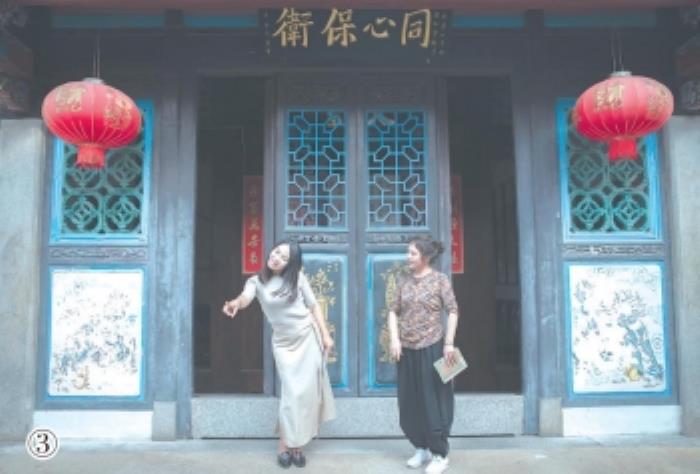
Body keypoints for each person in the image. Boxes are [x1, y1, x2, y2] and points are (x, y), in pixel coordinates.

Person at [222, 240, 336, 468]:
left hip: (307, 337)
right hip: (284, 344)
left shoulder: (298, 278)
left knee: (304, 395)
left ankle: (294, 445)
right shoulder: (256, 281)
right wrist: (234, 303)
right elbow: (245, 298)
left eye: (284, 258)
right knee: (292, 393)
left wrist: (325, 335)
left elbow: (314, 307)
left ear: (290, 264)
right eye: (276, 253)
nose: (276, 258)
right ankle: (286, 445)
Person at [388, 235, 459, 474]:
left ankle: (439, 453)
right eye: (408, 253)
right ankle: (421, 447)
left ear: (425, 257)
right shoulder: (403, 281)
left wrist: (449, 343)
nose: (407, 257)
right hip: (407, 350)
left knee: (433, 400)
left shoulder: (440, 280)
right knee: (409, 400)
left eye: (412, 253)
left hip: (433, 346)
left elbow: (453, 311)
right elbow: (392, 311)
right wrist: (395, 339)